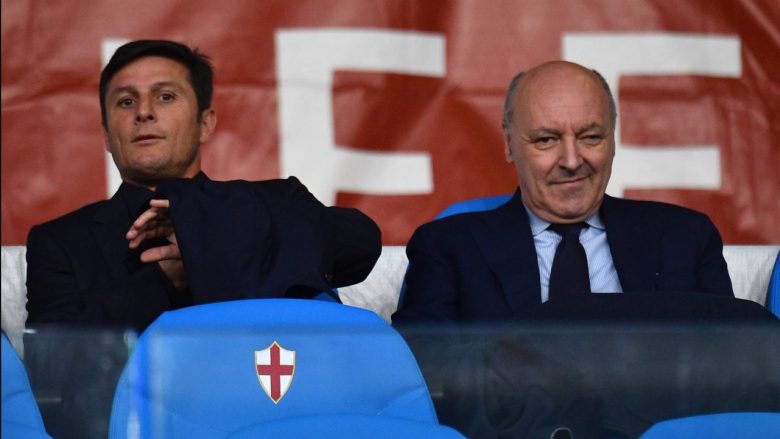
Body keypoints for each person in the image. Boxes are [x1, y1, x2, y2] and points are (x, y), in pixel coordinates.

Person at [25, 39, 381, 333]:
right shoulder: (60, 242)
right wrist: (164, 279)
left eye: (166, 96)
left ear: (205, 123)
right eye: (126, 101)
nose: (144, 112)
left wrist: (209, 237)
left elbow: (359, 245)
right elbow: (53, 367)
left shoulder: (276, 199)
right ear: (106, 135)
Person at [393, 60, 733, 324]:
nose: (571, 161)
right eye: (546, 140)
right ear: (509, 145)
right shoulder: (448, 248)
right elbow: (425, 368)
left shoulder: (685, 238)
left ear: (613, 139)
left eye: (590, 137)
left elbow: (730, 361)